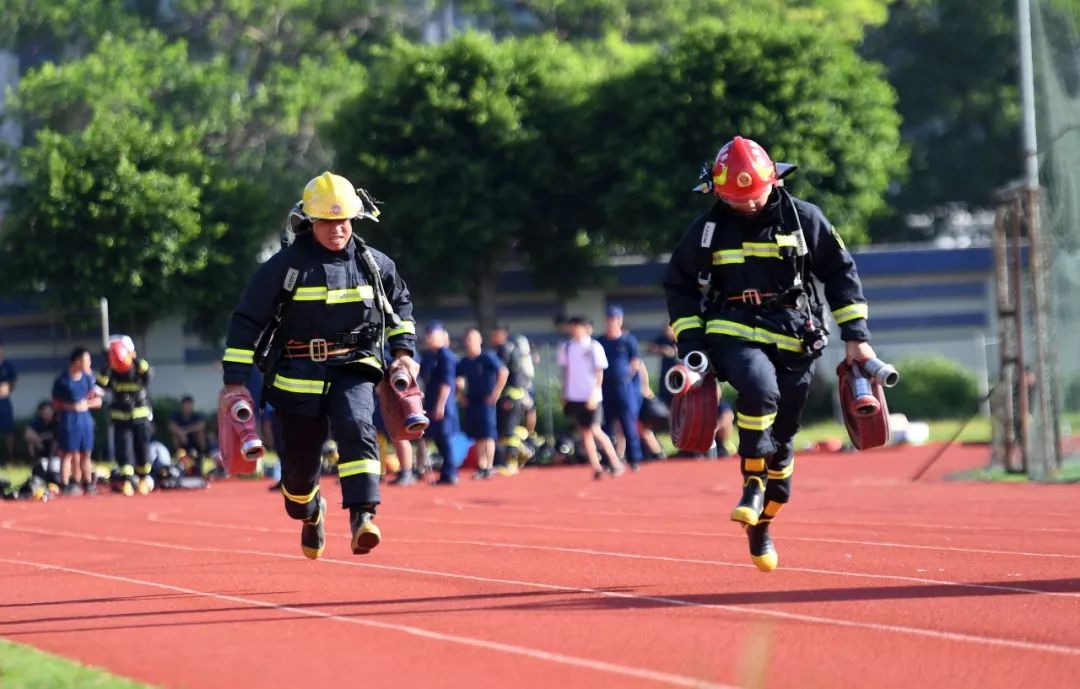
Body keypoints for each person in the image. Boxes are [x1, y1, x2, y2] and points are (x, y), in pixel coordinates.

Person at [664, 136, 876, 572]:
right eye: (733, 198)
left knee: (783, 447)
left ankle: (763, 517)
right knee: (759, 391)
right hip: (731, 328)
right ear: (716, 191)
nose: (745, 205)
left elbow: (840, 273)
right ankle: (750, 485)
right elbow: (679, 285)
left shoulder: (804, 219)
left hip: (795, 335)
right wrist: (692, 343)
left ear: (774, 180)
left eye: (753, 196)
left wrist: (855, 334)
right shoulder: (706, 231)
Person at [220, 171, 418, 560]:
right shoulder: (284, 267)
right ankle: (311, 512)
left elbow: (401, 310)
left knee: (356, 424)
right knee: (296, 481)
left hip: (355, 366)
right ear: (311, 222)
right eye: (327, 221)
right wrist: (235, 381)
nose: (336, 229)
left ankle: (364, 515)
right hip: (297, 378)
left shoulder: (374, 265)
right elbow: (246, 323)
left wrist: (404, 352)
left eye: (343, 220)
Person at [558, 316, 624, 480]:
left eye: (578, 326)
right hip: (575, 395)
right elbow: (565, 371)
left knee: (595, 430)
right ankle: (596, 467)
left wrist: (594, 393)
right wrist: (565, 392)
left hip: (591, 396)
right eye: (572, 326)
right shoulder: (566, 347)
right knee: (585, 432)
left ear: (586, 328)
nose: (574, 330)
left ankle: (615, 462)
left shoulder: (594, 346)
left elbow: (599, 372)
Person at [97, 335, 155, 495]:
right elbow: (102, 384)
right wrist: (107, 366)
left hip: (140, 416)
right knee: (124, 450)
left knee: (142, 448)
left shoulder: (138, 367)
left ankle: (143, 478)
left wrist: (134, 358)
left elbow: (148, 374)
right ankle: (127, 481)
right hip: (120, 417)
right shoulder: (111, 369)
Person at [596, 306, 645, 471]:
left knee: (628, 423)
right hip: (604, 387)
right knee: (605, 425)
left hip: (623, 387)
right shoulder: (600, 341)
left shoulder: (628, 340)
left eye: (615, 319)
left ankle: (635, 459)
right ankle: (608, 460)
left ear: (620, 320)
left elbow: (635, 362)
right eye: (609, 319)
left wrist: (626, 377)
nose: (611, 323)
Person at [456, 327, 507, 480]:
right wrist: (460, 395)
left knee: (488, 434)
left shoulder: (487, 357)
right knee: (477, 435)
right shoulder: (465, 361)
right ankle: (482, 465)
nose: (469, 342)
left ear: (479, 341)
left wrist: (495, 394)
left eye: (472, 339)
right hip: (472, 401)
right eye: (467, 339)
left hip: (486, 402)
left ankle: (489, 466)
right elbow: (457, 379)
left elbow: (503, 372)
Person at [53, 347, 102, 495]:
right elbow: (56, 404)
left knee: (85, 452)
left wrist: (85, 404)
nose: (89, 363)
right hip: (69, 419)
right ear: (77, 361)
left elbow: (98, 400)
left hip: (84, 419)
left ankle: (88, 484)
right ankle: (66, 483)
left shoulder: (88, 379)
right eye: (86, 360)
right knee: (67, 453)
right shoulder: (63, 381)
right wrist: (71, 406)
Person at [419, 322, 461, 485]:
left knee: (444, 438)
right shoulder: (429, 356)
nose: (428, 338)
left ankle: (450, 473)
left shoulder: (446, 356)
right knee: (436, 438)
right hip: (430, 402)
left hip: (443, 406)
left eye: (432, 335)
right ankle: (445, 472)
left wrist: (440, 405)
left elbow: (447, 383)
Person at [489, 324, 534, 471]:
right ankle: (516, 455)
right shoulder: (512, 349)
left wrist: (500, 395)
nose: (491, 337)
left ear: (502, 334)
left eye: (494, 334)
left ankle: (511, 461)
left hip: (509, 396)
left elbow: (502, 373)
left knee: (508, 431)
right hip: (515, 394)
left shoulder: (503, 350)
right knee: (509, 429)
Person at [170, 394, 208, 474]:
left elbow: (201, 425)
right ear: (182, 406)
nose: (188, 407)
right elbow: (171, 426)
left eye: (189, 405)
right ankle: (177, 455)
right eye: (186, 405)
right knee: (175, 435)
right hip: (182, 443)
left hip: (194, 443)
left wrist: (186, 431)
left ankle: (202, 454)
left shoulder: (196, 416)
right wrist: (181, 433)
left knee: (200, 433)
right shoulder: (177, 416)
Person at [24, 401, 61, 484]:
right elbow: (28, 433)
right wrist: (38, 440)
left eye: (48, 411)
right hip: (42, 453)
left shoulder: (58, 421)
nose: (46, 414)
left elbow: (57, 438)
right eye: (43, 412)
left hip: (57, 455)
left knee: (54, 471)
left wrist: (45, 436)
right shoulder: (38, 422)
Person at [0, 342, 17, 463]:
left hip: (4, 401)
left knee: (9, 431)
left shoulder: (8, 366)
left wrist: (5, 390)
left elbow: (12, 383)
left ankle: (10, 457)